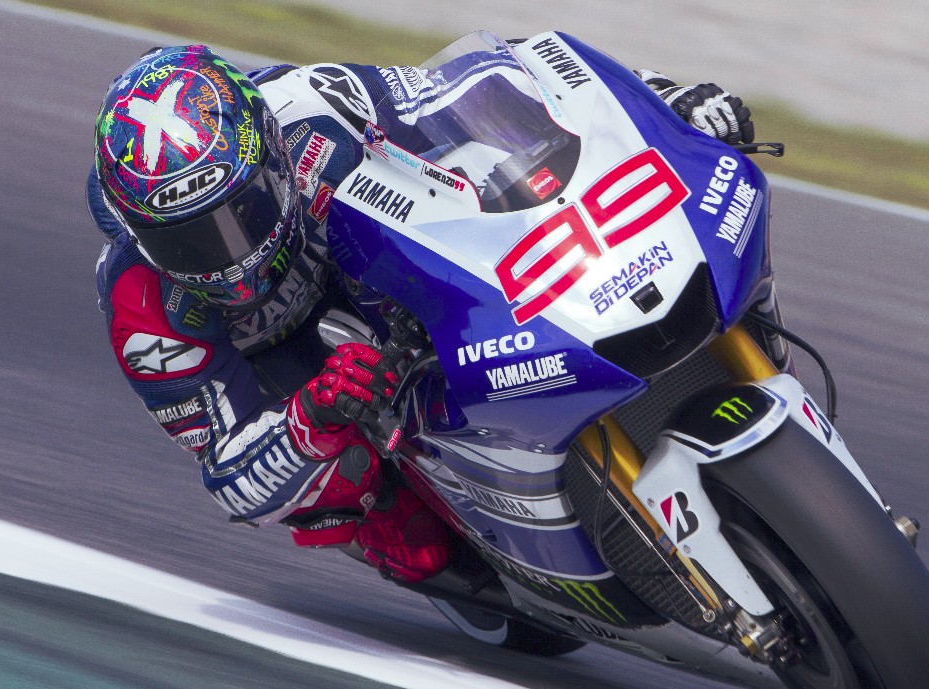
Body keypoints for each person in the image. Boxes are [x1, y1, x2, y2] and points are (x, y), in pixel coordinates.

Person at [89, 38, 755, 584]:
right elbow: (231, 474)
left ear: (272, 153)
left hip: (377, 272)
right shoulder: (140, 304)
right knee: (405, 536)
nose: (230, 255)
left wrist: (662, 100)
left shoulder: (314, 104)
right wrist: (311, 414)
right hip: (294, 376)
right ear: (138, 234)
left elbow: (492, 84)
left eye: (243, 211)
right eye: (189, 240)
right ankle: (394, 511)